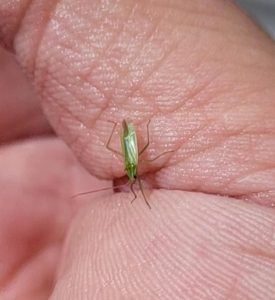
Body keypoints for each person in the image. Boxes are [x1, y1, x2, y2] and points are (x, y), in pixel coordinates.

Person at [0, 1, 274, 299]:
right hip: (130, 146)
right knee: (138, 154)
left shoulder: (131, 171)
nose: (133, 184)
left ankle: (129, 132)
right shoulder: (130, 171)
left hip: (129, 145)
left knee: (137, 154)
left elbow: (143, 164)